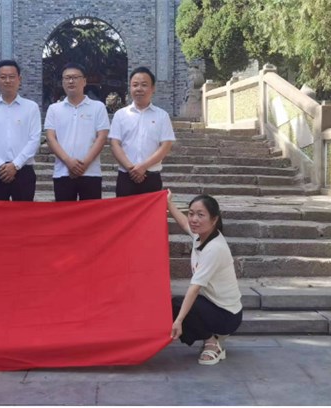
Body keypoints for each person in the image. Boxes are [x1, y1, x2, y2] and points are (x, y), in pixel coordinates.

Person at [167, 191, 243, 365]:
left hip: (227, 315)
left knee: (179, 307)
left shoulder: (214, 248)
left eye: (200, 215)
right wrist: (168, 204)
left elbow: (194, 288)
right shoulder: (202, 235)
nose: (194, 219)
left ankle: (212, 343)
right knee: (177, 305)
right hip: (214, 306)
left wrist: (178, 321)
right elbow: (184, 223)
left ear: (214, 219)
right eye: (191, 213)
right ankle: (212, 335)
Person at [44, 63, 110, 201]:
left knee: (91, 213)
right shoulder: (54, 109)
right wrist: (68, 162)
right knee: (64, 214)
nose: (71, 81)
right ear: (62, 82)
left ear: (84, 81)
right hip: (63, 172)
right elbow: (50, 138)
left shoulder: (98, 107)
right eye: (67, 78)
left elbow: (102, 137)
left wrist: (84, 164)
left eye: (75, 77)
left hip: (91, 172)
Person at [0, 60, 41, 201]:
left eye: (12, 77)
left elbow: (34, 140)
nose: (7, 81)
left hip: (24, 171)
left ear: (19, 79)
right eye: (3, 77)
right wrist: (1, 165)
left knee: (24, 213)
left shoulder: (31, 108)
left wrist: (15, 165)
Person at [109, 67, 176, 196]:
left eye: (144, 85)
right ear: (130, 88)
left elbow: (166, 145)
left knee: (151, 210)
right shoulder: (120, 115)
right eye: (135, 85)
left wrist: (143, 167)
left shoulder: (162, 115)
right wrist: (131, 169)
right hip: (126, 176)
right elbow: (114, 143)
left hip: (151, 177)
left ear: (153, 88)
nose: (139, 89)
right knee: (125, 210)